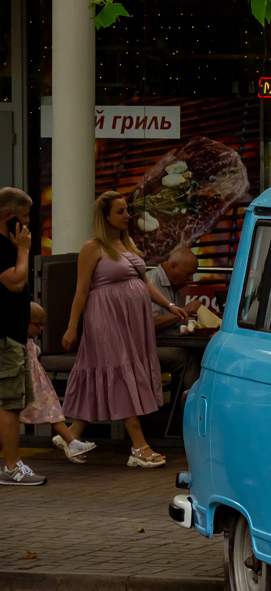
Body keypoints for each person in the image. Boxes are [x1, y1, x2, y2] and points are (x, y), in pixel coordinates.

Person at [61, 191, 186, 468]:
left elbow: (144, 283)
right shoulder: (92, 247)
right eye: (120, 212)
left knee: (114, 372)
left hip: (131, 323)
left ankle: (71, 436)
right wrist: (72, 327)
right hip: (105, 320)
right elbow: (81, 290)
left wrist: (169, 305)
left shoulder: (127, 243)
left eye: (127, 210)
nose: (127, 215)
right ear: (105, 217)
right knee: (121, 373)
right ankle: (139, 447)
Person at [0, 187, 45, 485]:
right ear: (8, 216)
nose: (28, 222)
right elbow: (15, 283)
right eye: (24, 215)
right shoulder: (3, 247)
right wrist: (25, 249)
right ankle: (12, 465)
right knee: (10, 403)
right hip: (5, 338)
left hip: (11, 335)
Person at [22, 303, 97, 462]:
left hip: (39, 389)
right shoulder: (18, 345)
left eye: (43, 325)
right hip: (28, 389)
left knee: (53, 413)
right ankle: (71, 443)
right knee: (11, 423)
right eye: (37, 324)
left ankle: (71, 442)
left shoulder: (28, 343)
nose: (41, 328)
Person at [150, 244, 203, 392]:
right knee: (189, 358)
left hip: (170, 341)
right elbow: (151, 323)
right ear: (173, 267)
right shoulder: (152, 282)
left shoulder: (175, 287)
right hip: (150, 346)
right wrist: (184, 310)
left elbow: (175, 319)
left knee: (203, 352)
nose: (191, 279)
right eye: (188, 274)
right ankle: (194, 403)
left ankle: (183, 402)